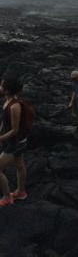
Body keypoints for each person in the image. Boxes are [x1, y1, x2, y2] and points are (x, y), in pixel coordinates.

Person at [0, 73, 32, 207]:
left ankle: (7, 197)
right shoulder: (7, 100)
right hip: (17, 141)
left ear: (7, 90)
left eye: (1, 85)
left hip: (15, 143)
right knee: (19, 164)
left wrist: (0, 138)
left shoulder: (14, 106)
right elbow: (4, 122)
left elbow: (14, 130)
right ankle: (20, 192)